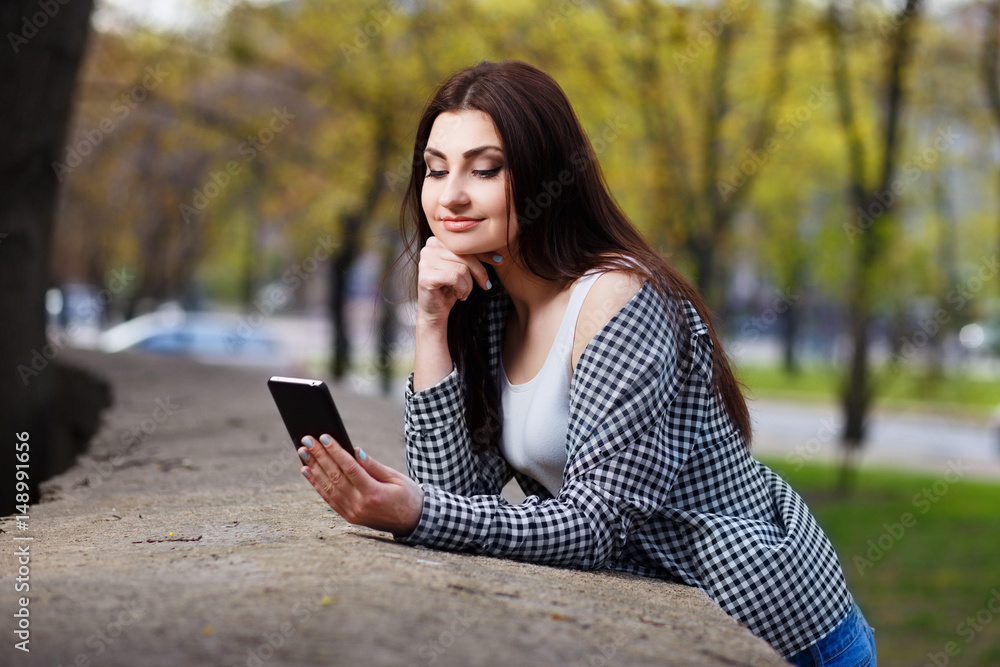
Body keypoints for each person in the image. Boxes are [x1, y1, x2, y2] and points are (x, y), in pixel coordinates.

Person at [295, 59, 876, 666]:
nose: (452, 195)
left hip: (777, 626)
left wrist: (415, 511)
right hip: (655, 622)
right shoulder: (489, 306)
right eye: (435, 170)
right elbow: (453, 495)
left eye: (485, 169)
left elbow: (595, 524)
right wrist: (432, 321)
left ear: (547, 177)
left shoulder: (620, 301)